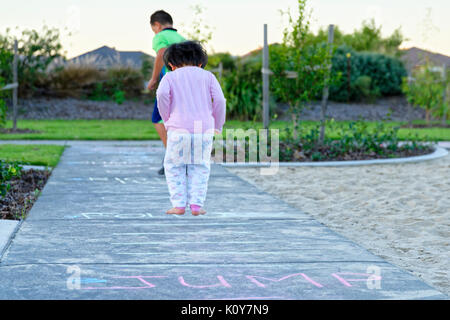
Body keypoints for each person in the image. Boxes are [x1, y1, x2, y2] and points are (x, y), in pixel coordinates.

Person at [156, 41, 226, 216]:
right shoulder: (208, 76)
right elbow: (219, 101)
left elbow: (162, 95)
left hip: (178, 128)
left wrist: (167, 118)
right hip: (204, 129)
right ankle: (196, 205)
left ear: (171, 65)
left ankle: (179, 205)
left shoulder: (169, 77)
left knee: (174, 166)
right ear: (201, 63)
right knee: (200, 166)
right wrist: (217, 124)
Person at [148, 10, 186, 175]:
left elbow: (161, 53)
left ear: (157, 25)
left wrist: (154, 78)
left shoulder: (160, 37)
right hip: (186, 85)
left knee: (157, 118)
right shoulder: (182, 39)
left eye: (153, 29)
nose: (154, 33)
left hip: (171, 84)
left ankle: (174, 158)